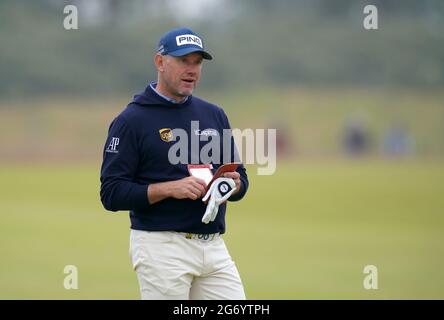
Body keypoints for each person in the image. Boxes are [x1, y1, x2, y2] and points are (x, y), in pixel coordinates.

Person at [100, 27, 249, 300]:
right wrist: (170, 188)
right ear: (160, 62)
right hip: (161, 246)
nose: (191, 69)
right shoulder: (131, 120)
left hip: (213, 247)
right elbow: (111, 194)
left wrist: (232, 184)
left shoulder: (214, 114)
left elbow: (241, 180)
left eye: (197, 62)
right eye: (183, 61)